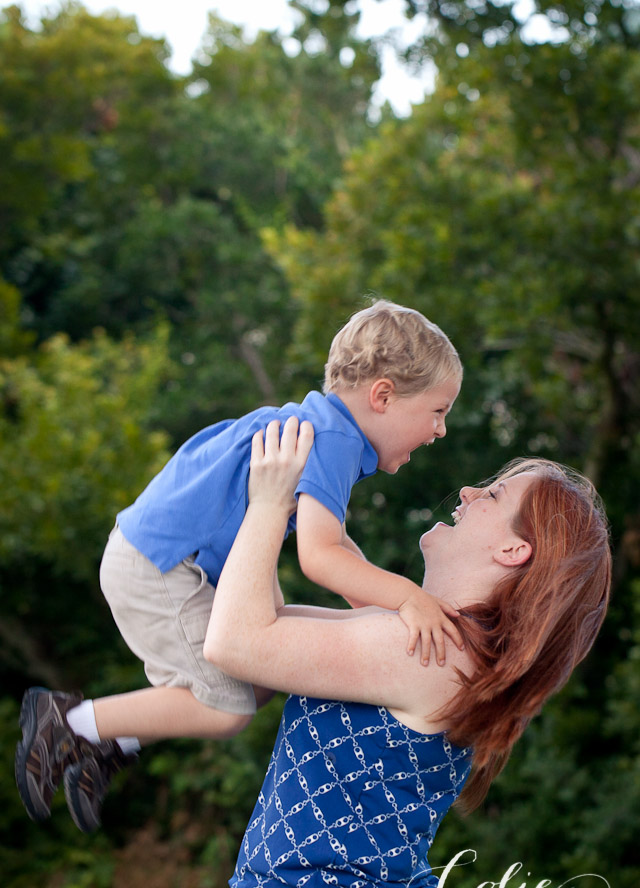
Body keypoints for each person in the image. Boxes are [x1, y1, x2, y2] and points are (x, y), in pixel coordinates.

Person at [15, 299, 463, 834]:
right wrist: (410, 599)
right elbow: (321, 556)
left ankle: (108, 738)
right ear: (383, 395)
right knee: (227, 711)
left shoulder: (323, 429)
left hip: (177, 561)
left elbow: (336, 540)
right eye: (438, 412)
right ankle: (71, 724)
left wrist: (382, 615)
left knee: (262, 676)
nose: (440, 430)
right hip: (160, 563)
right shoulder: (335, 439)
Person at [203, 417, 611, 888]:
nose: (467, 492)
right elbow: (267, 619)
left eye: (492, 494)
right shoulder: (437, 642)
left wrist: (268, 504)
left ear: (514, 551)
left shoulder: (430, 653)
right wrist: (297, 488)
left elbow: (235, 641)